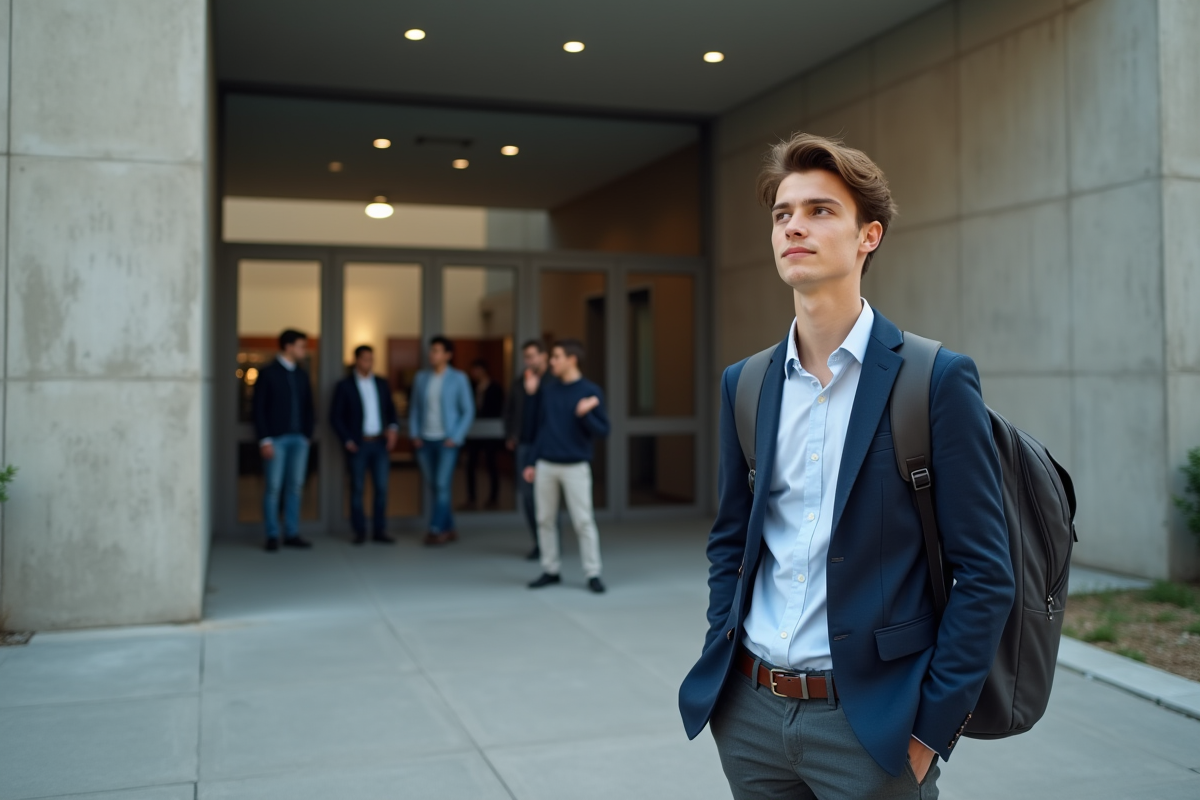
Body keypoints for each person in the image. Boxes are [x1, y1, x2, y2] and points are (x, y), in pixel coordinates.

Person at [677, 133, 1015, 799]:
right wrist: (725, 653)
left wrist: (929, 732)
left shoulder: (933, 379)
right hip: (750, 715)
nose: (793, 226)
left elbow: (985, 571)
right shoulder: (746, 384)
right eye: (782, 213)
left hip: (872, 727)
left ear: (869, 236)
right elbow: (731, 541)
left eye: (820, 210)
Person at [523, 339, 610, 594]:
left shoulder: (590, 391)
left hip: (575, 466)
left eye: (556, 357)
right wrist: (531, 462)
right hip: (546, 464)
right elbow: (539, 428)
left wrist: (586, 414)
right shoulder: (548, 390)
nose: (551, 362)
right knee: (545, 520)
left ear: (572, 359)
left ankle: (593, 573)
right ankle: (550, 569)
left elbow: (604, 431)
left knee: (583, 521)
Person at [252, 329, 317, 552]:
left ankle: (291, 533)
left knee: (296, 487)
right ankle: (272, 535)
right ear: (288, 346)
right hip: (275, 440)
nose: (304, 350)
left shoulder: (302, 374)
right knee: (273, 488)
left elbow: (309, 407)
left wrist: (307, 435)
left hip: (299, 440)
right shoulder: (268, 373)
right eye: (301, 346)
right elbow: (258, 408)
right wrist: (264, 440)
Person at [408, 336, 475, 546]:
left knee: (441, 484)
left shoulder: (459, 378)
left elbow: (468, 410)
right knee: (436, 486)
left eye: (437, 351)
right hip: (425, 441)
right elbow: (415, 408)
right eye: (431, 350)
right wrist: (415, 434)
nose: (432, 355)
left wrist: (455, 437)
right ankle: (450, 528)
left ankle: (435, 529)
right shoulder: (421, 378)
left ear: (448, 355)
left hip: (447, 442)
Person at [331, 344, 400, 545]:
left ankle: (379, 530)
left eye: (371, 359)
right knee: (357, 488)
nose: (369, 363)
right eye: (365, 359)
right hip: (359, 444)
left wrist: (393, 429)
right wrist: (347, 440)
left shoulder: (381, 383)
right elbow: (335, 417)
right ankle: (359, 531)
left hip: (379, 443)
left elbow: (391, 410)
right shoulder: (344, 385)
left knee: (382, 488)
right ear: (357, 360)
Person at [504, 340, 549, 559]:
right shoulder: (519, 382)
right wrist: (511, 434)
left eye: (532, 356)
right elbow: (509, 410)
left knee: (548, 498)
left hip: (548, 446)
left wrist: (535, 392)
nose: (528, 361)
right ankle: (539, 542)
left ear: (544, 356)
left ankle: (551, 544)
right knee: (528, 496)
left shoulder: (552, 382)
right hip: (524, 445)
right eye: (526, 357)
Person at [462, 358, 505, 510]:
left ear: (483, 370)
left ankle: (493, 498)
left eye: (476, 370)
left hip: (490, 433)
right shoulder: (471, 387)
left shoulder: (495, 388)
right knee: (470, 465)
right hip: (474, 432)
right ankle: (471, 499)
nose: (474, 373)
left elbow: (499, 409)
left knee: (491, 465)